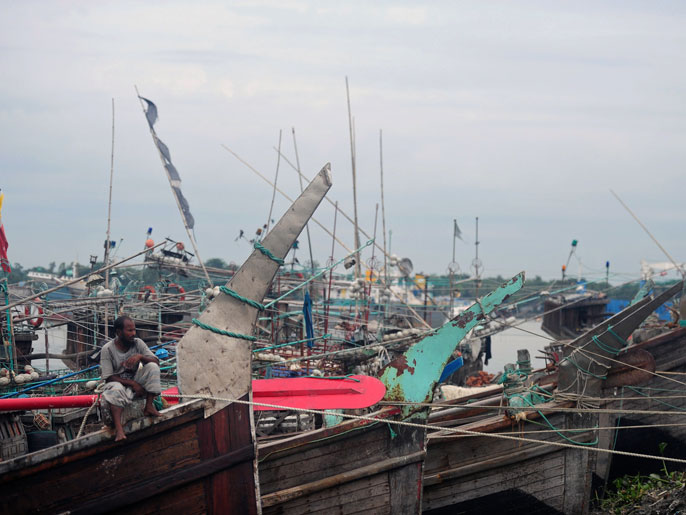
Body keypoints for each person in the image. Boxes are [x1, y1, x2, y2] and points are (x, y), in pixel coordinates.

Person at [100, 315, 161, 441]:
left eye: (134, 330)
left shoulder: (138, 343)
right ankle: (119, 430)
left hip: (134, 381)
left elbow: (156, 361)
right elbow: (108, 377)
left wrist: (141, 357)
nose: (133, 333)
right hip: (117, 383)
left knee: (152, 367)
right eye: (130, 330)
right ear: (118, 332)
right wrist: (133, 384)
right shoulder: (107, 349)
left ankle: (149, 406)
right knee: (115, 389)